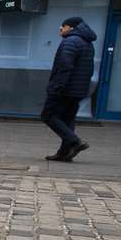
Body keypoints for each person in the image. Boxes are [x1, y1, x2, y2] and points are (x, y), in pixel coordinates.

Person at [41, 16, 96, 162]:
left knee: (48, 115)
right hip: (78, 90)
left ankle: (75, 141)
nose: (60, 28)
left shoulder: (70, 42)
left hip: (65, 88)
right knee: (67, 119)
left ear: (71, 28)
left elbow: (65, 67)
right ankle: (64, 153)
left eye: (63, 26)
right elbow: (89, 69)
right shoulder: (87, 43)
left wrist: (56, 87)